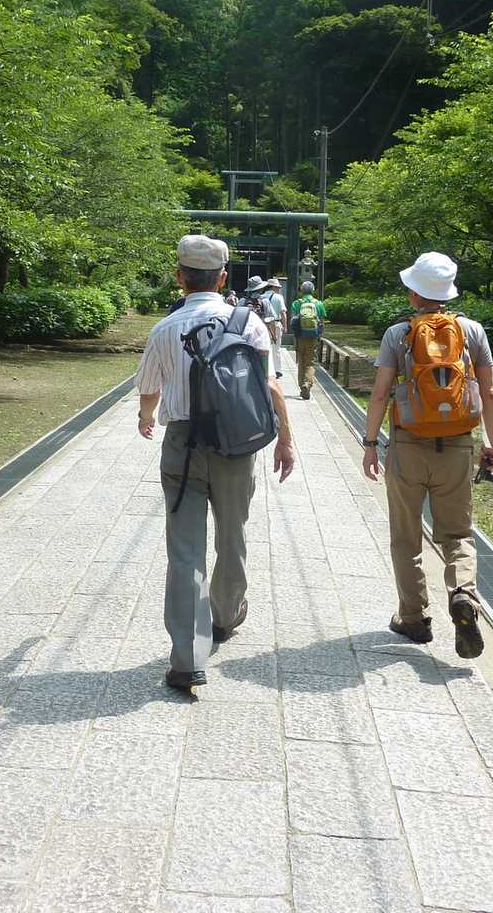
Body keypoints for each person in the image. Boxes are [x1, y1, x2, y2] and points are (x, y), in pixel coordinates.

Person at [137, 236, 296, 689]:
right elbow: (271, 386)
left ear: (179, 277)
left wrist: (146, 417)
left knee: (185, 548)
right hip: (236, 444)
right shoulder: (248, 323)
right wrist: (285, 441)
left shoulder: (165, 328)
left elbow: (149, 388)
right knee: (233, 533)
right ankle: (225, 617)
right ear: (223, 278)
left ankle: (188, 657)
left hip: (183, 445)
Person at [359, 252, 493, 658]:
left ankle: (414, 618)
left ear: (413, 292)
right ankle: (463, 594)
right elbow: (489, 392)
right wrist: (491, 443)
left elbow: (380, 395)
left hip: (407, 444)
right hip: (456, 445)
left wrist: (370, 444)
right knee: (457, 534)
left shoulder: (397, 334)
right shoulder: (472, 331)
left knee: (406, 536)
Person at [288, 280, 326, 401]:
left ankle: (301, 386)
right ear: (313, 291)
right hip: (313, 337)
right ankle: (307, 384)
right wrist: (320, 336)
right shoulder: (318, 304)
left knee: (301, 361)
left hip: (299, 336)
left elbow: (293, 322)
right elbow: (322, 322)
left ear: (301, 291)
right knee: (310, 362)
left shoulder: (296, 303)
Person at [265, 277, 288, 379]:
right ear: (273, 287)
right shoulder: (279, 297)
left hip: (264, 325)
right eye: (278, 287)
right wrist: (285, 326)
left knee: (265, 347)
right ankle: (277, 370)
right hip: (276, 324)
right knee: (276, 347)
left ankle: (266, 368)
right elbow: (283, 313)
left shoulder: (262, 297)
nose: (279, 289)